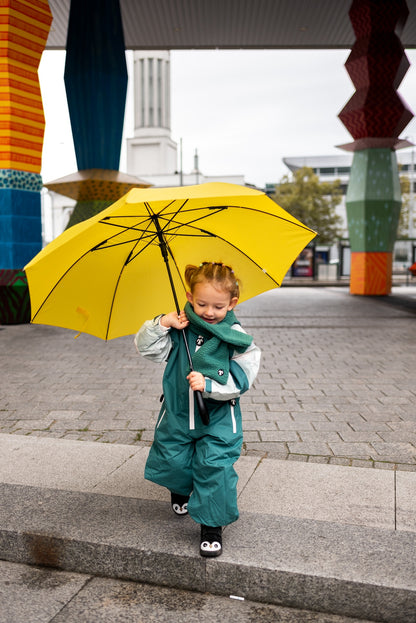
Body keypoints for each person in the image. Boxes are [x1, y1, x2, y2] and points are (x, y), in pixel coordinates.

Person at [134, 262, 261, 557]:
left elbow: (243, 377)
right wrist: (163, 323)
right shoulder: (180, 327)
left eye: (218, 306)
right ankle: (180, 487)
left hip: (218, 418)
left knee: (214, 467)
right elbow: (147, 349)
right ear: (190, 297)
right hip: (178, 412)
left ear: (232, 303)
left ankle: (211, 525)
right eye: (202, 303)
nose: (209, 312)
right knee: (174, 460)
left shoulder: (237, 338)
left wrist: (211, 384)